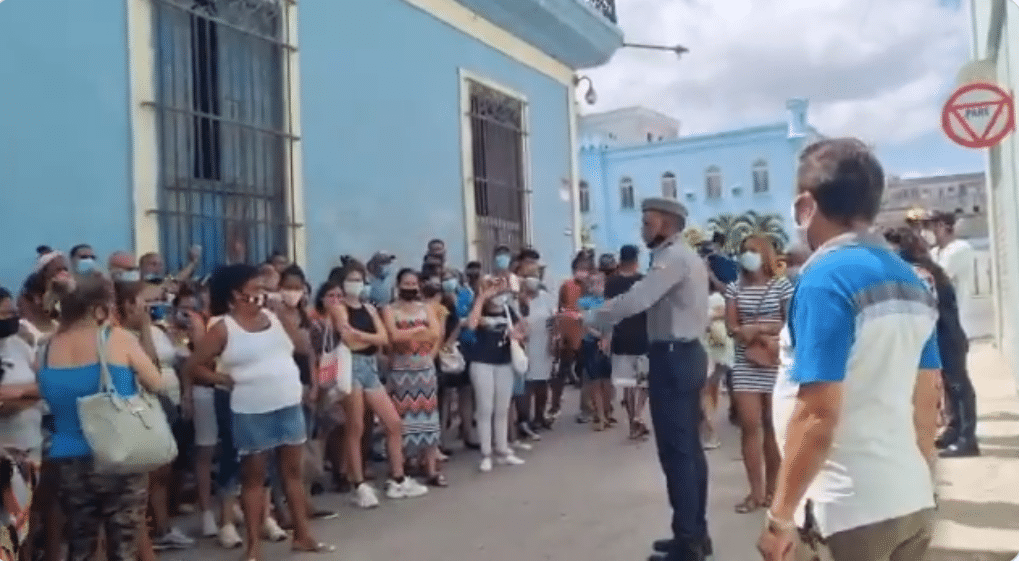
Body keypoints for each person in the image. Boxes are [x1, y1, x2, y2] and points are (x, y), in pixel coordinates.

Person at [758, 139, 942, 561]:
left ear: (805, 206)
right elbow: (926, 400)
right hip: (909, 499)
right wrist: (921, 481)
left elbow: (817, 415)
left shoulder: (825, 280)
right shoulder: (912, 281)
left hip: (851, 513)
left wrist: (780, 518)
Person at [185, 264, 332, 561]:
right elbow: (194, 365)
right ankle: (253, 547)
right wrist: (225, 379)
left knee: (292, 473)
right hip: (251, 409)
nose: (261, 292)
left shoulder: (274, 318)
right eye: (255, 288)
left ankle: (302, 535)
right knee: (254, 477)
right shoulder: (223, 328)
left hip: (287, 402)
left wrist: (285, 316)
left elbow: (301, 346)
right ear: (236, 293)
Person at [591, 197, 710, 561]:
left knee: (678, 452)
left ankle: (689, 542)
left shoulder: (673, 258)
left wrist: (589, 319)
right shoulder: (677, 257)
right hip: (681, 355)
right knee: (687, 450)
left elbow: (636, 300)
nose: (643, 228)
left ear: (668, 224)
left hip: (675, 357)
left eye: (648, 222)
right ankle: (692, 533)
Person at [35, 274, 166, 561]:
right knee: (124, 548)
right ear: (99, 308)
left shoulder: (45, 349)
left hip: (69, 458)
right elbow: (157, 383)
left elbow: (48, 395)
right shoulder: (117, 339)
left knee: (81, 546)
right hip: (119, 455)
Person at [329, 261, 429, 505]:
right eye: (351, 279)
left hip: (370, 367)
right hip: (350, 367)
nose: (357, 283)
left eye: (359, 279)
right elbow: (348, 341)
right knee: (356, 426)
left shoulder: (369, 308)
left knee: (393, 422)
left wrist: (362, 337)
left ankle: (398, 477)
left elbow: (383, 338)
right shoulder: (338, 308)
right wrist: (368, 339)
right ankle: (358, 484)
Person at [890, 227, 979, 458]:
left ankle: (967, 439)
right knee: (952, 388)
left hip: (946, 336)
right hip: (946, 335)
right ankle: (955, 430)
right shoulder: (925, 267)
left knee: (959, 388)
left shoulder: (918, 271)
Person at [724, 235, 793, 515]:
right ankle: (756, 491)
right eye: (744, 251)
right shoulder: (734, 288)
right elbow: (731, 327)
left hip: (775, 362)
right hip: (745, 364)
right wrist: (747, 332)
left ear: (766, 255)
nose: (747, 256)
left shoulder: (781, 285)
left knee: (773, 428)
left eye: (752, 251)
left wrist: (758, 329)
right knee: (750, 426)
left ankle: (774, 491)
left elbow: (791, 322)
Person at [382, 269, 445, 486]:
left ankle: (431, 469)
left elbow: (435, 334)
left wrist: (408, 334)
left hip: (425, 371)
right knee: (401, 422)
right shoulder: (390, 310)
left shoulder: (427, 308)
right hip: (401, 373)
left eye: (413, 283)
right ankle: (402, 468)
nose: (410, 286)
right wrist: (420, 330)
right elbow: (393, 336)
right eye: (406, 283)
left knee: (429, 421)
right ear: (398, 285)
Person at [465, 275, 526, 473]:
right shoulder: (478, 307)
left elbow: (522, 328)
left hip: (504, 362)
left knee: (502, 408)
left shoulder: (508, 310)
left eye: (500, 288)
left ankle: (502, 449)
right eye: (493, 287)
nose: (498, 292)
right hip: (481, 362)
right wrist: (482, 298)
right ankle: (486, 453)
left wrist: (519, 334)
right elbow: (472, 325)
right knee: (485, 408)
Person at [605, 244, 651, 440]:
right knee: (642, 381)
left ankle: (634, 420)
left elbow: (607, 311)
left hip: (620, 337)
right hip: (642, 336)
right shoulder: (642, 281)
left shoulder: (611, 283)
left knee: (628, 384)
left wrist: (605, 335)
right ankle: (638, 417)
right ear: (635, 261)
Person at [929, 211, 976, 338]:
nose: (931, 230)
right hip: (937, 321)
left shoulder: (960, 248)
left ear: (945, 227)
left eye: (935, 225)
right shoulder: (933, 252)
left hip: (956, 321)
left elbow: (939, 276)